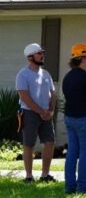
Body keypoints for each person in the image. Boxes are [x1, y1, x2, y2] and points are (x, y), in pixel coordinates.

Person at [62, 43, 86, 194]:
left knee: (72, 152)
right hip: (85, 119)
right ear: (83, 57)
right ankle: (83, 188)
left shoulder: (67, 77)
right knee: (85, 153)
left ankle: (70, 187)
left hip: (69, 118)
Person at [15, 43, 57, 183]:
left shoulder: (46, 74)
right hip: (29, 113)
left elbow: (53, 93)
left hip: (46, 113)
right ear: (30, 57)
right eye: (39, 53)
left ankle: (45, 175)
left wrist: (50, 110)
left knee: (50, 142)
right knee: (29, 144)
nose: (42, 55)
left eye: (42, 53)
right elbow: (24, 96)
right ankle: (29, 176)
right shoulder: (23, 74)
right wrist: (40, 111)